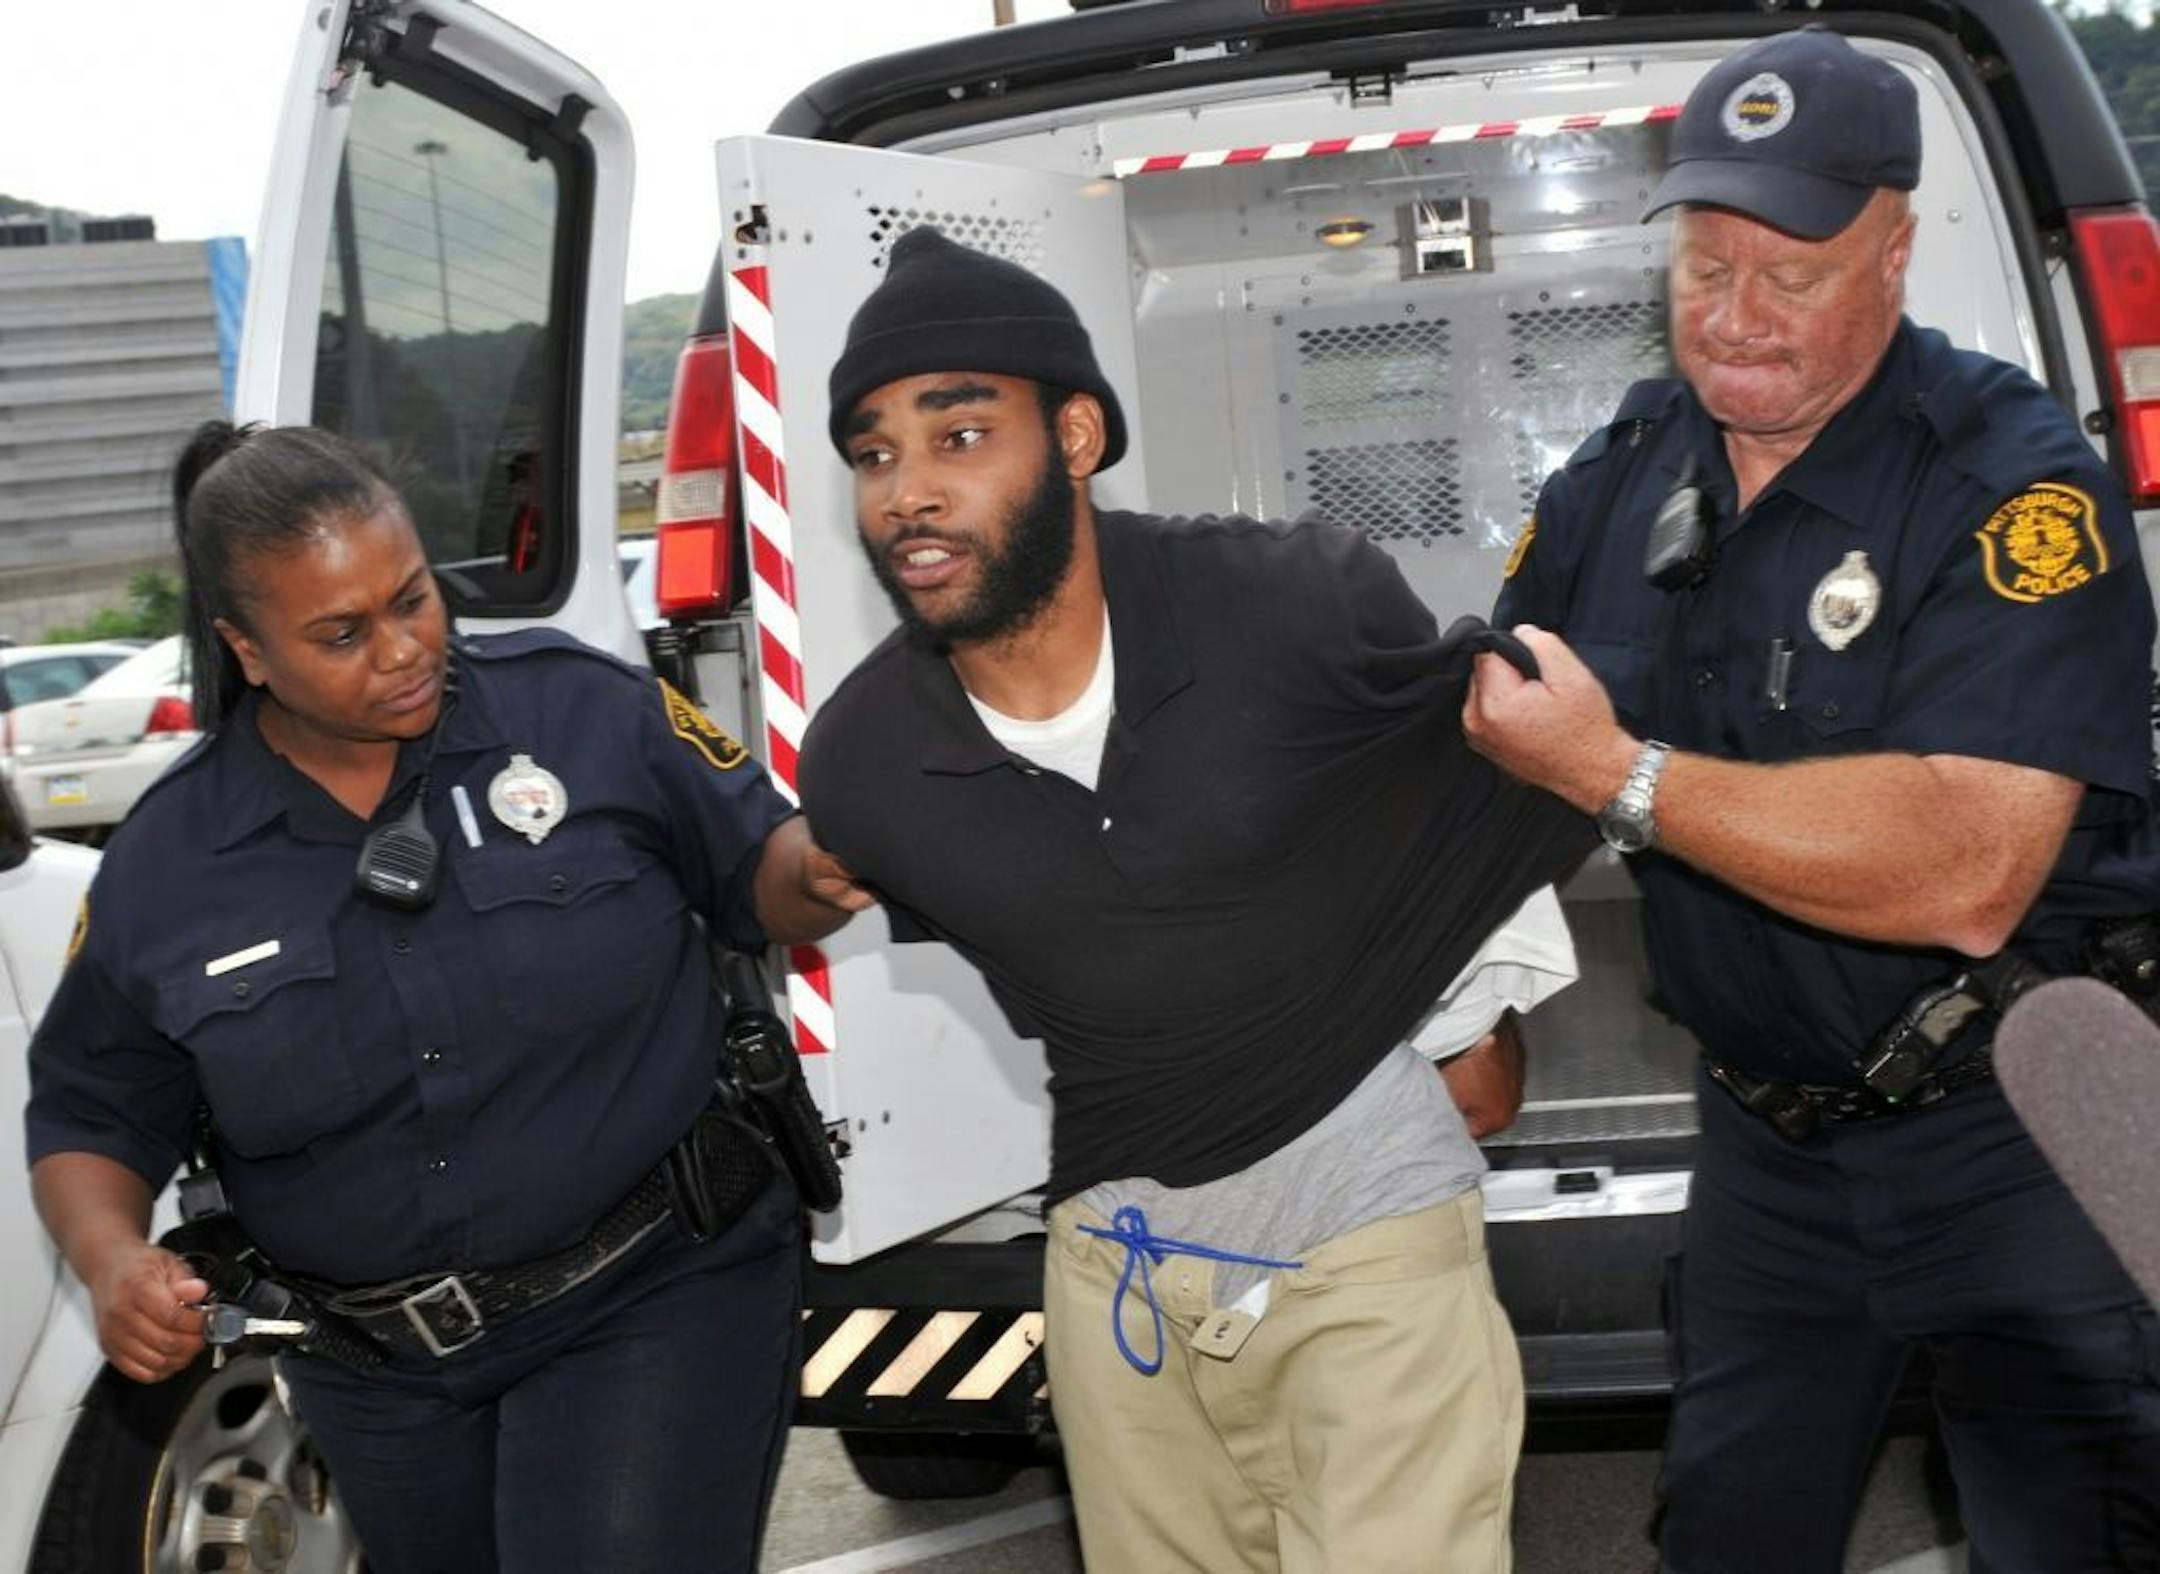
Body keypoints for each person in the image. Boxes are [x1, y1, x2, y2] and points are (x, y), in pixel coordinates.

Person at [797, 227, 1594, 1572]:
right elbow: (872, 888)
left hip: (1367, 1233)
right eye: (875, 454)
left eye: (959, 435)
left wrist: (1473, 1018)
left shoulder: (1292, 599)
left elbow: (1466, 765)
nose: (908, 491)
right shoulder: (868, 757)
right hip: (1119, 1275)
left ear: (1078, 434)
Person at [1467, 28, 2160, 1572]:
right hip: (1770, 1157)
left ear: (1896, 250)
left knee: (2069, 1541)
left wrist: (1619, 772)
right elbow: (1490, 737)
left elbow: (1972, 866)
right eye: (1705, 266)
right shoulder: (1626, 467)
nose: (1736, 316)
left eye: (1792, 272)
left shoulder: (2012, 483)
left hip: (2016, 1132)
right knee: (1724, 1534)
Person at [25, 422, 867, 1573]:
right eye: (342, 632)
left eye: (413, 597)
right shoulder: (166, 867)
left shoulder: (584, 714)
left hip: (649, 1289)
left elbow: (756, 873)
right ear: (247, 648)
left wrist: (816, 870)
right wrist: (112, 1258)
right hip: (377, 1375)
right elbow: (91, 1112)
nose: (404, 647)